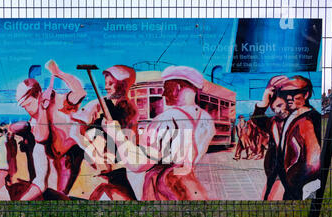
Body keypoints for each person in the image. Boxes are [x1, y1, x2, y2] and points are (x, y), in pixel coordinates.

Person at [101, 65, 215, 200]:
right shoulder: (206, 120)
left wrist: (116, 134)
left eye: (166, 88)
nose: (163, 94)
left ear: (177, 88)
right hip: (187, 186)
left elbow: (138, 164)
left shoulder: (166, 120)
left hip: (162, 192)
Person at [14, 60, 86, 200]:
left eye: (28, 104)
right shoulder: (35, 122)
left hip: (70, 154)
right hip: (56, 156)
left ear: (38, 95)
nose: (28, 110)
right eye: (24, 107)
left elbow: (79, 92)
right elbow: (42, 137)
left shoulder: (58, 101)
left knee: (61, 194)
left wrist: (58, 73)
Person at [70, 65, 138, 200]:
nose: (106, 87)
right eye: (106, 83)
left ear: (123, 85)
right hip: (95, 170)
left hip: (118, 170)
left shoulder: (132, 110)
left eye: (111, 84)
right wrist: (90, 150)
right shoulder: (97, 105)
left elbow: (130, 140)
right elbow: (76, 130)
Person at [277, 75, 321, 200]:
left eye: (294, 93)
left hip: (299, 190)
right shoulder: (293, 117)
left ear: (306, 94)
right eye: (286, 93)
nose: (289, 97)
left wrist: (293, 183)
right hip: (291, 189)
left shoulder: (307, 121)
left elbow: (313, 163)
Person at [252, 75, 291, 200]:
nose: (277, 109)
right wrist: (264, 101)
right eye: (273, 104)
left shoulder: (300, 121)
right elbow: (257, 119)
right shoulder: (273, 122)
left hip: (288, 173)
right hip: (273, 173)